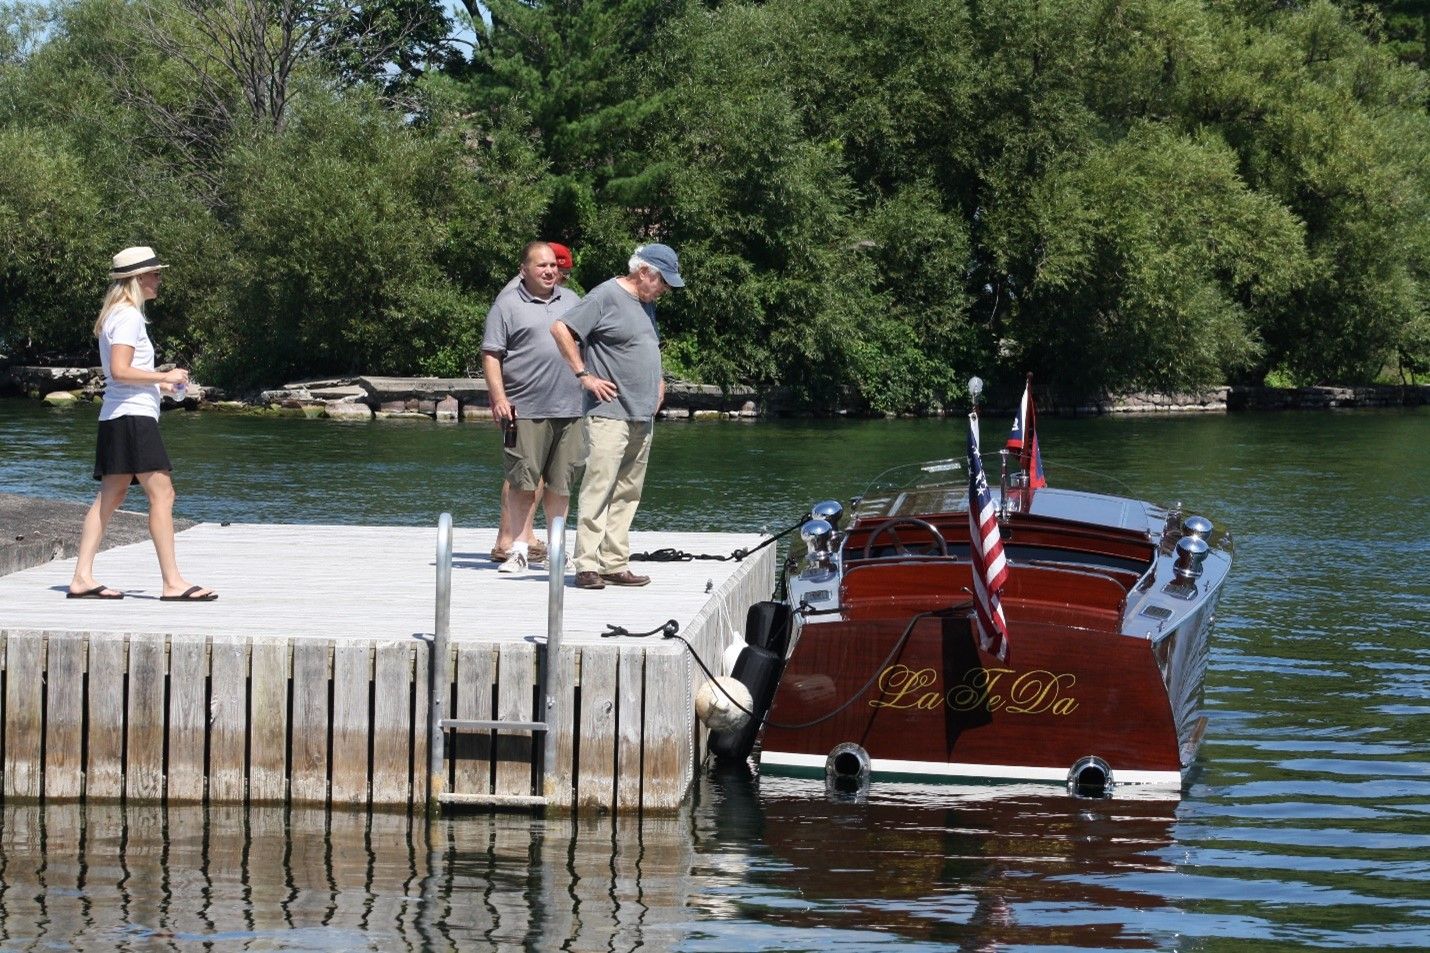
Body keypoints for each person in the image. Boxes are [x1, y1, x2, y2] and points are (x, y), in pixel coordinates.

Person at [68, 246, 217, 601]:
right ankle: (172, 583)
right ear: (137, 279)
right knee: (162, 493)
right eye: (154, 274)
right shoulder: (129, 317)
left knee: (111, 496)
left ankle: (81, 577)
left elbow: (119, 376)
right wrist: (162, 374)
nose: (158, 279)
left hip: (118, 417)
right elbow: (119, 371)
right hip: (133, 418)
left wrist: (163, 384)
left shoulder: (118, 315)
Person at [550, 242, 684, 589]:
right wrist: (584, 376)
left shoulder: (647, 302)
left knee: (628, 490)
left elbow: (643, 345)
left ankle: (614, 562)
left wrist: (658, 381)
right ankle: (587, 564)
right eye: (663, 282)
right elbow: (561, 329)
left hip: (642, 412)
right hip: (609, 412)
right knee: (600, 485)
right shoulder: (605, 295)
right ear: (644, 273)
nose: (665, 290)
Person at [482, 241, 586, 574]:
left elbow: (594, 344)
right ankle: (518, 549)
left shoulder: (572, 301)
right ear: (523, 269)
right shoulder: (506, 305)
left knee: (561, 482)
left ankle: (557, 549)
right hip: (524, 407)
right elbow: (491, 354)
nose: (550, 270)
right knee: (523, 480)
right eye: (541, 265)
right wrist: (499, 398)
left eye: (554, 265)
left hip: (570, 408)